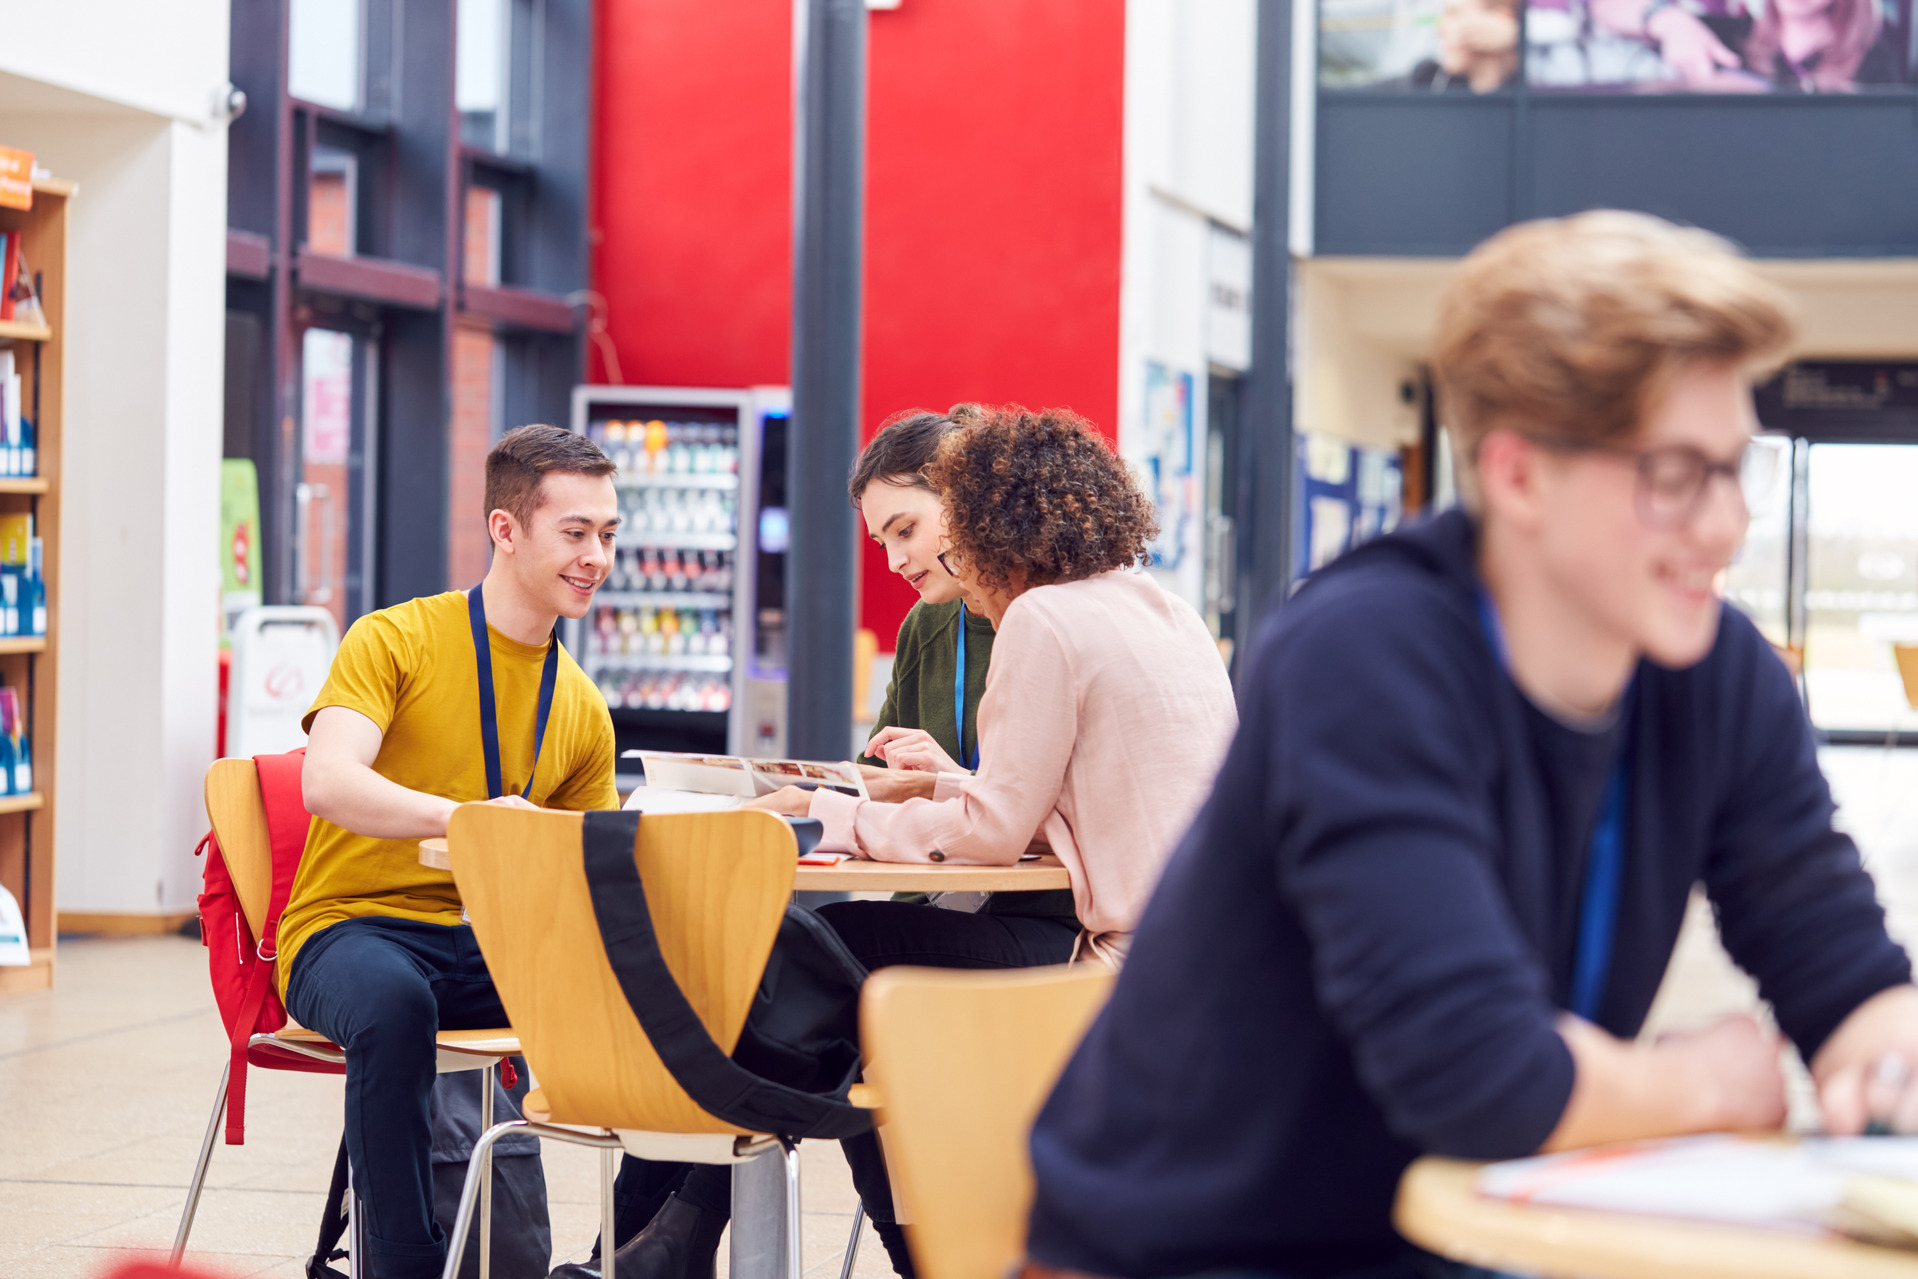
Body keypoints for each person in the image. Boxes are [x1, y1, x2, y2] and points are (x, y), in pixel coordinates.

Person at [1024, 211, 1918, 1279]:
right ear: (1517, 474)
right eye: (1676, 473)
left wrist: (1887, 1061)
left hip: (1467, 1244)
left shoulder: (1716, 673)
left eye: (1737, 470)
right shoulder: (1362, 653)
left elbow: (1845, 971)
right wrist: (1708, 1083)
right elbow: (1482, 1080)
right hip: (1200, 1254)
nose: (1725, 524)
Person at [583, 406, 1239, 1279]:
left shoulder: (1042, 620)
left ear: (992, 525)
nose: (944, 569)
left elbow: (996, 834)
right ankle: (689, 1242)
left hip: (1107, 968)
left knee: (826, 963)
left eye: (940, 537)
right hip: (1199, 968)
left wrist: (834, 815)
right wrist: (941, 782)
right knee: (846, 1001)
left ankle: (670, 1240)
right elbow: (1079, 802)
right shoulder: (1167, 611)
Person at [282, 425, 621, 1279]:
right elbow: (326, 781)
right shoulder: (393, 639)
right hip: (348, 932)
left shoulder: (580, 706)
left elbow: (586, 869)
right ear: (506, 530)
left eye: (608, 536)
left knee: (689, 998)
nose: (596, 557)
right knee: (396, 1005)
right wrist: (470, 816)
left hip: (485, 943)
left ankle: (638, 1249)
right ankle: (398, 1265)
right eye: (575, 533)